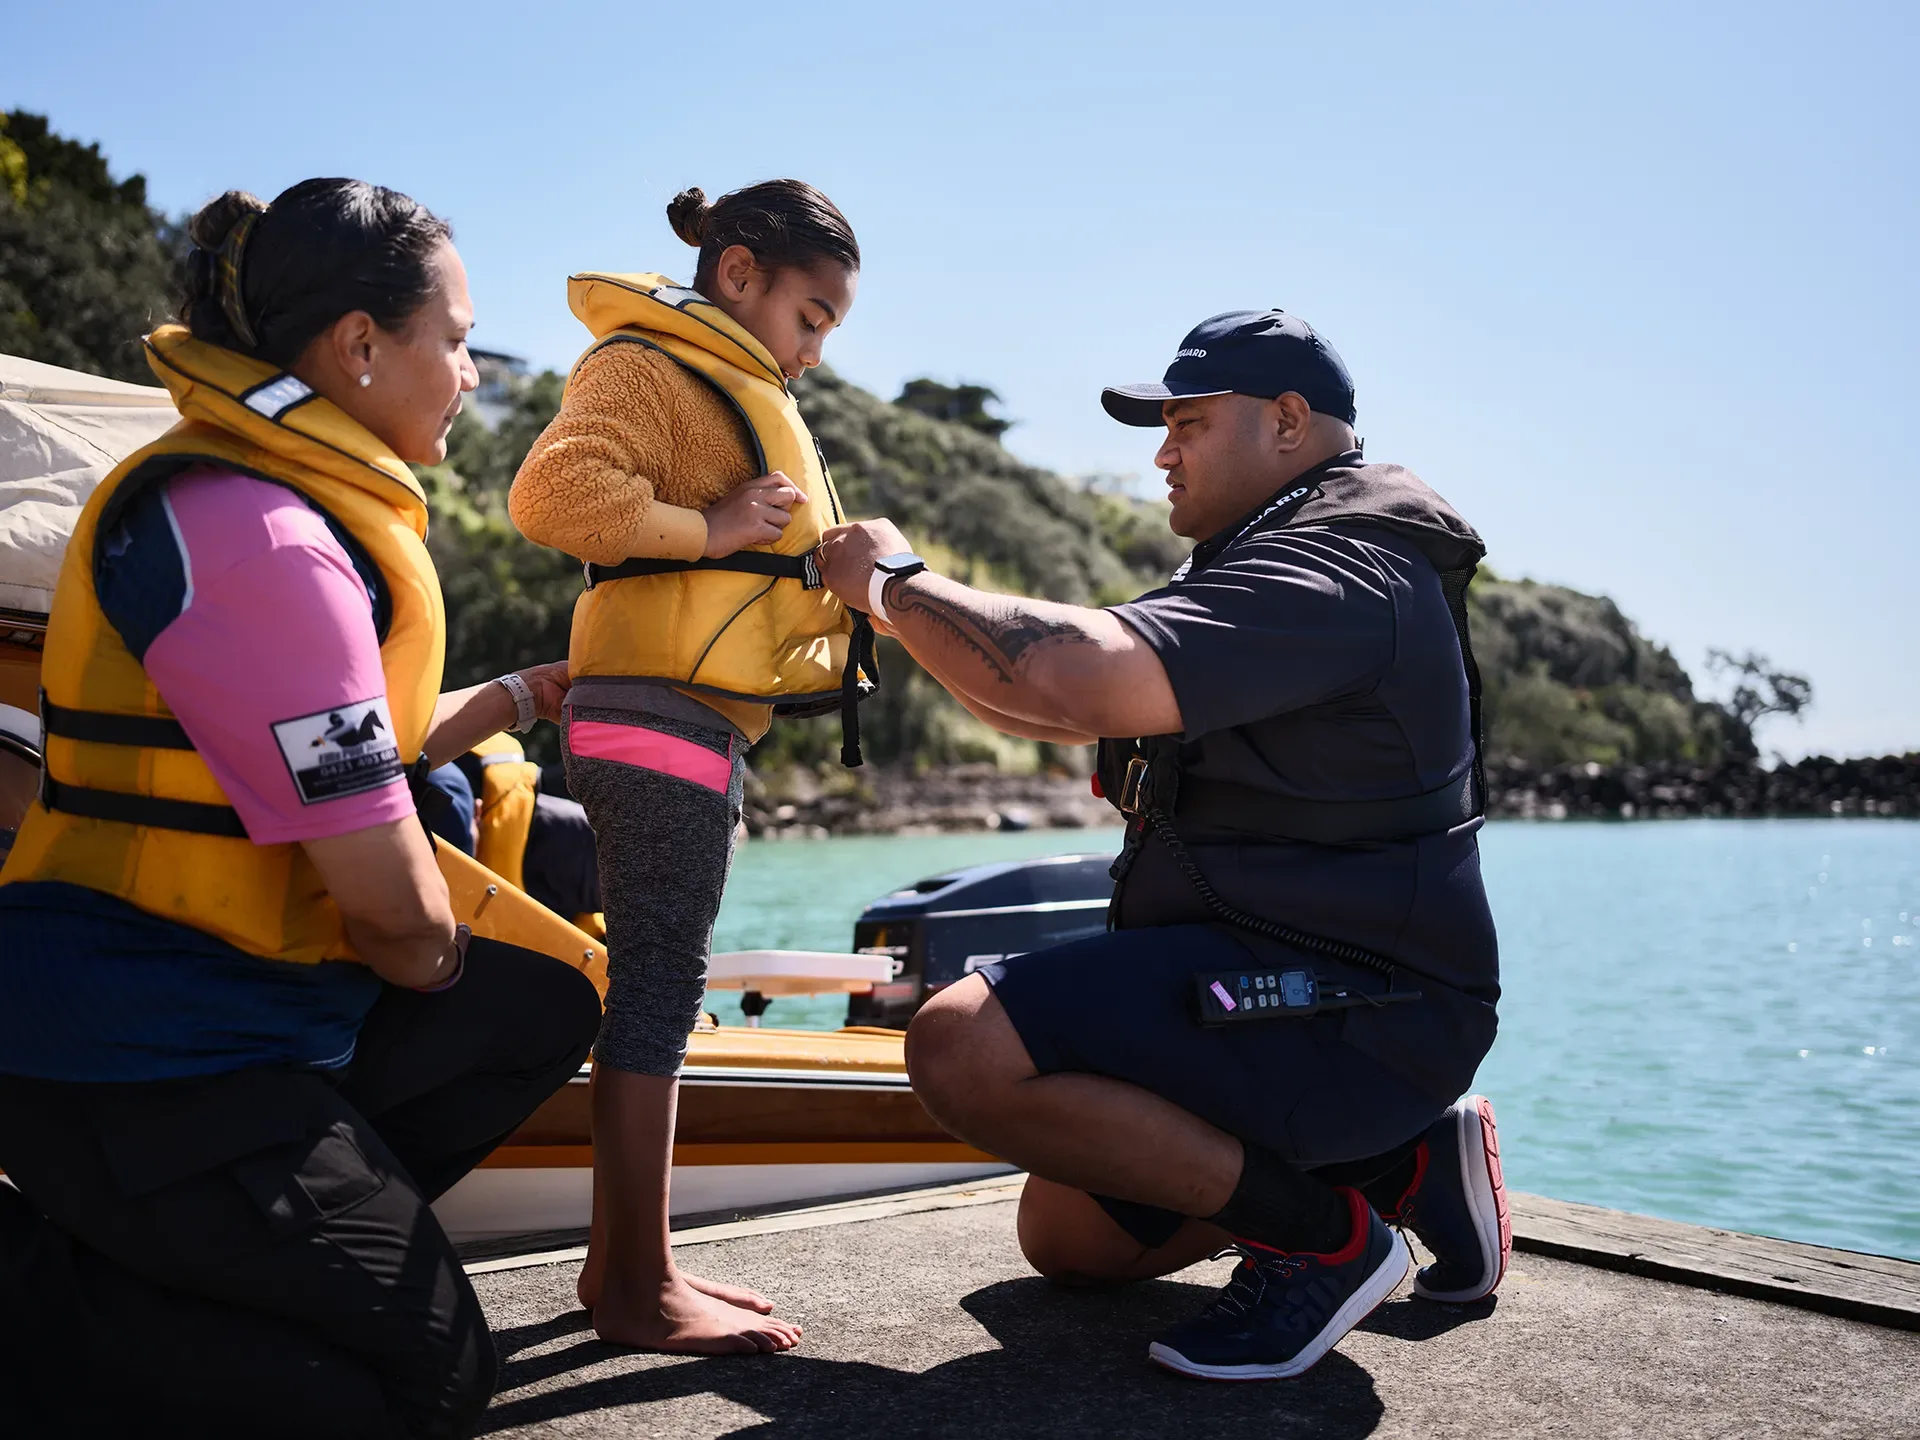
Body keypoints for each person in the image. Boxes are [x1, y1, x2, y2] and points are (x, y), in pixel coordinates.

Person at [0, 179, 603, 1436]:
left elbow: (319, 752)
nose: (473, 374)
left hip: (243, 1018)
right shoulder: (261, 537)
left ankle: (192, 1261)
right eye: (456, 340)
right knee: (418, 1388)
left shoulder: (269, 506)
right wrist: (436, 939)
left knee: (544, 993)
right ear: (362, 346)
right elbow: (389, 913)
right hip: (141, 1054)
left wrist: (513, 703)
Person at [814, 310, 1510, 1381]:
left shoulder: (1340, 577)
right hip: (1275, 982)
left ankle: (1325, 1242)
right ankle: (1395, 1159)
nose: (1162, 450)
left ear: (1286, 422)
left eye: (1188, 420)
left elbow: (1069, 673)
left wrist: (893, 585)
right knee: (1068, 1243)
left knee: (960, 1046)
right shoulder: (1263, 557)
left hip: (1354, 999)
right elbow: (1044, 704)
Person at [508, 179, 866, 1353]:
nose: (813, 353)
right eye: (811, 317)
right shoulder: (647, 366)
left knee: (658, 975)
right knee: (661, 983)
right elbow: (552, 492)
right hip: (653, 711)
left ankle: (623, 1264)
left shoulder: (731, 380)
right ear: (739, 273)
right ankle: (637, 1289)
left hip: (688, 716)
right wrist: (709, 533)